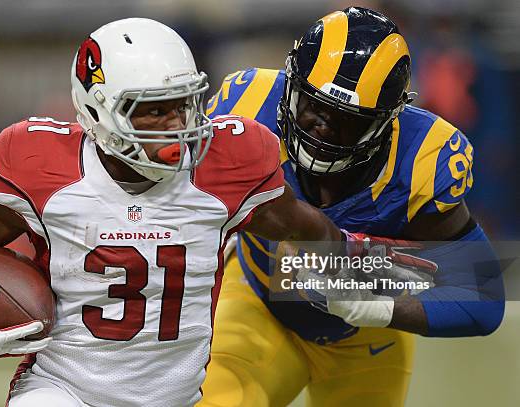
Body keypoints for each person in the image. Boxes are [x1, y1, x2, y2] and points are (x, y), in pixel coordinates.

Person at [0, 18, 400, 407]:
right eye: (153, 111)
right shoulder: (44, 166)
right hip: (63, 389)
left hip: (177, 397)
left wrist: (368, 274)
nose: (176, 127)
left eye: (184, 106)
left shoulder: (223, 165)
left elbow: (307, 228)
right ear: (98, 109)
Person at [200, 7, 504, 407]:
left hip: (365, 340)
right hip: (257, 304)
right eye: (312, 105)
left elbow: (482, 300)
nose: (322, 126)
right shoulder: (248, 105)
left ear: (387, 122)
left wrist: (370, 304)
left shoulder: (420, 160)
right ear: (290, 84)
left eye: (348, 119)